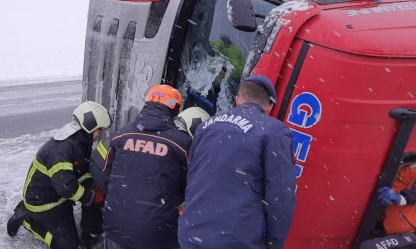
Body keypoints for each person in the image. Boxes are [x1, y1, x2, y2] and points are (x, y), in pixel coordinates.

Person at [178, 75, 296, 249]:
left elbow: (192, 176)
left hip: (190, 232)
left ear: (237, 99)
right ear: (270, 106)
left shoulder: (206, 126)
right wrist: (274, 242)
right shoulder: (274, 132)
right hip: (233, 240)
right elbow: (280, 197)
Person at [6, 101, 111, 249]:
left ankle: (90, 233)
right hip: (44, 203)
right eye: (99, 129)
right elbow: (66, 187)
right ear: (89, 126)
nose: (100, 134)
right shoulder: (63, 149)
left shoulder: (80, 141)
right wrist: (91, 196)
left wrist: (95, 189)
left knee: (94, 190)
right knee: (67, 246)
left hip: (59, 195)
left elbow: (82, 170)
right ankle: (28, 220)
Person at [102, 84, 191, 249]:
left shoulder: (122, 134)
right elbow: (190, 188)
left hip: (115, 227)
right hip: (156, 234)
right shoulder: (181, 144)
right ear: (175, 109)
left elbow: (106, 176)